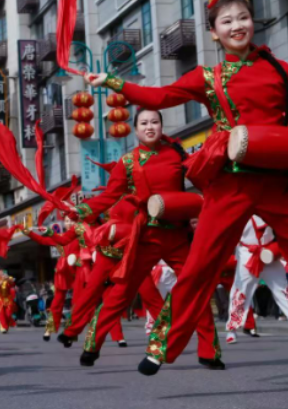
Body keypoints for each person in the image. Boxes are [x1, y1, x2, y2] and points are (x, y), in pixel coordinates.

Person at [85, 0, 288, 380]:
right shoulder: (208, 77)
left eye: (243, 17)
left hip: (281, 182)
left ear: (252, 22)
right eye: (226, 21)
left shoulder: (279, 69)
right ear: (214, 32)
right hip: (231, 184)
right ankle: (163, 346)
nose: (237, 26)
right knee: (200, 265)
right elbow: (160, 97)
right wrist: (112, 82)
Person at [70, 109, 220, 368]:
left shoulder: (176, 154)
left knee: (196, 289)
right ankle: (92, 344)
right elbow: (109, 196)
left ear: (161, 126)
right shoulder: (127, 162)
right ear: (136, 130)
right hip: (145, 237)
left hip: (178, 236)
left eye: (154, 122)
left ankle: (209, 352)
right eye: (144, 123)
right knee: (121, 294)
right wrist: (81, 210)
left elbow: (200, 177)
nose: (150, 127)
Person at [225, 215, 288, 344]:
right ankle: (232, 329)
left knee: (283, 289)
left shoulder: (269, 208)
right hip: (248, 253)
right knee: (240, 292)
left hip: (268, 253)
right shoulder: (239, 213)